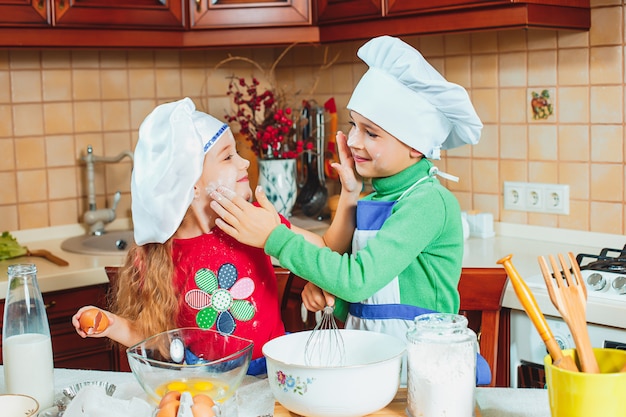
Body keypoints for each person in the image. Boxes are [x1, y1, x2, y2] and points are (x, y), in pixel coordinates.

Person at [209, 35, 490, 384]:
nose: (354, 140)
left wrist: (275, 237)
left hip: (425, 374)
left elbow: (358, 280)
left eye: (371, 133)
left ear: (416, 148)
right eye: (354, 126)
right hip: (376, 366)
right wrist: (334, 299)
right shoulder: (373, 201)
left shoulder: (428, 203)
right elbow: (371, 299)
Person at [71, 97, 357, 375]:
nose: (245, 163)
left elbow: (326, 251)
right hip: (207, 388)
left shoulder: (252, 221)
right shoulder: (156, 257)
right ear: (191, 184)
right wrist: (113, 325)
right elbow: (157, 337)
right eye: (228, 156)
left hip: (271, 377)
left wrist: (349, 194)